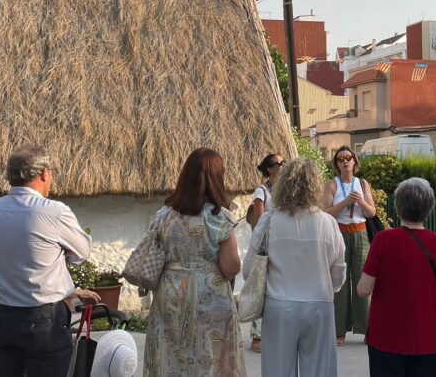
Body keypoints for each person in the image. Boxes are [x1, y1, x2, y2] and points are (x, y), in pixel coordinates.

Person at [0, 145, 99, 377]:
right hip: (42, 319)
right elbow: (82, 252)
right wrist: (57, 250)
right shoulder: (54, 212)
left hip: (3, 317)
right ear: (44, 173)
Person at [144, 148, 245, 377]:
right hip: (211, 298)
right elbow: (231, 267)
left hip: (170, 295)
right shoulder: (221, 217)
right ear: (217, 177)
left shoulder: (164, 215)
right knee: (211, 360)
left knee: (170, 358)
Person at [245, 158, 346, 377]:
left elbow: (248, 270)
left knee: (277, 371)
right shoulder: (328, 223)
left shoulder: (269, 220)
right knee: (320, 371)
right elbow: (338, 273)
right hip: (319, 304)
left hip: (279, 305)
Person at [358, 178, 436, 376]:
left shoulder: (383, 240)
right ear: (429, 209)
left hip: (385, 337)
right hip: (426, 337)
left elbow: (363, 289)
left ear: (398, 208)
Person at [322, 145, 378, 346]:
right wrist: (345, 202)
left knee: (363, 281)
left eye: (348, 157)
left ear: (354, 161)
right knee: (341, 282)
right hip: (339, 235)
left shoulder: (362, 184)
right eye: (340, 159)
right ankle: (339, 331)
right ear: (337, 164)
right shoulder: (331, 185)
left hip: (361, 233)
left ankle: (366, 329)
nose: (345, 161)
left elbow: (372, 213)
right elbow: (326, 213)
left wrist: (361, 202)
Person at [248, 153, 284, 353]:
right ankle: (257, 336)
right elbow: (259, 219)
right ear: (270, 169)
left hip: (283, 244)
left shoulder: (286, 190)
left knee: (279, 289)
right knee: (260, 289)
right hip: (266, 246)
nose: (283, 165)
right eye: (279, 163)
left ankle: (277, 333)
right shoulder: (261, 191)